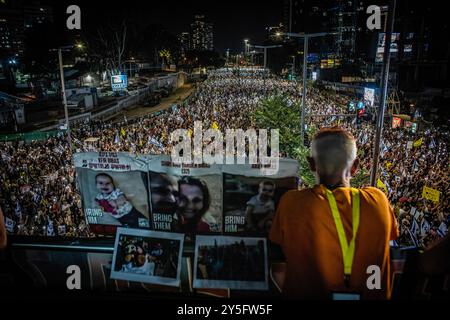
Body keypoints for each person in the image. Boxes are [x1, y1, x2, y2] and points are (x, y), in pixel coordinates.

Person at [270, 127, 399, 299]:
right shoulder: (379, 201)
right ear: (355, 167)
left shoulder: (291, 202)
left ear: (311, 164)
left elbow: (277, 254)